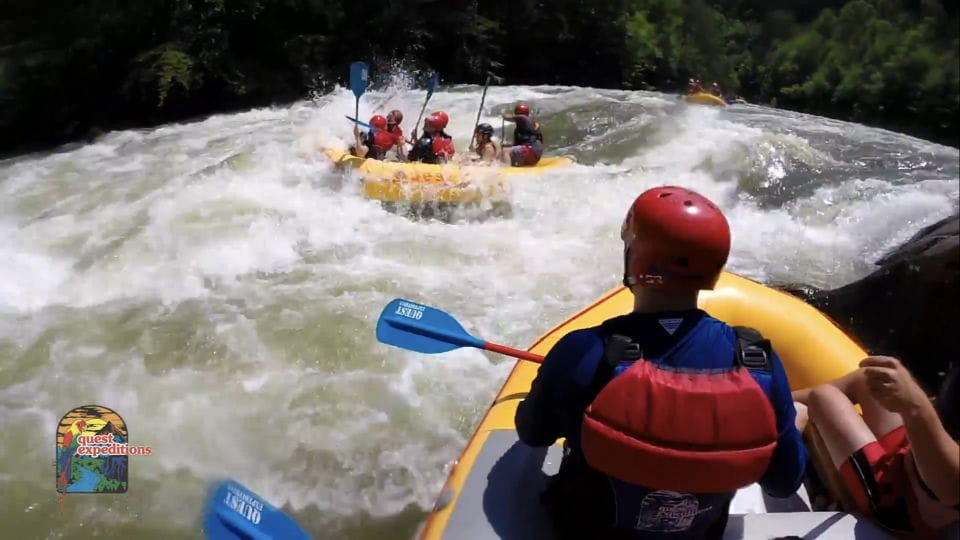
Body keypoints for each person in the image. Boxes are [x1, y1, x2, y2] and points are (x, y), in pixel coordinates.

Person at [514, 186, 808, 540]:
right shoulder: (757, 361)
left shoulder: (582, 350)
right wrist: (793, 422)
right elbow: (783, 482)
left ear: (635, 258)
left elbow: (532, 433)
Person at [793, 358, 959, 538]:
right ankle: (780, 403)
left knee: (823, 398)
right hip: (908, 458)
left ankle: (837, 497)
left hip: (900, 504)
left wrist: (916, 407)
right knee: (868, 379)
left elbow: (952, 491)